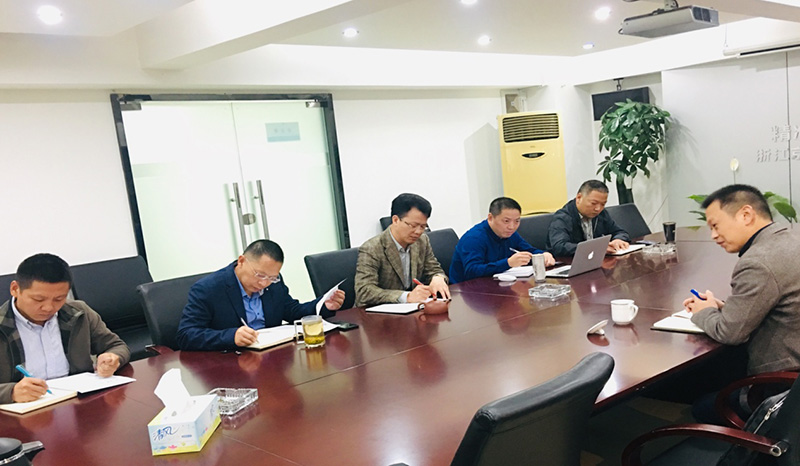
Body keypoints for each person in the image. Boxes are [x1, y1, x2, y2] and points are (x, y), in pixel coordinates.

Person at [684, 184, 800, 375]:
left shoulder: (757, 262)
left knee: (699, 389)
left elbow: (729, 333)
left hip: (782, 380)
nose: (713, 235)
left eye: (715, 225)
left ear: (746, 215)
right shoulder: (790, 240)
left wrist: (703, 311)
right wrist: (724, 308)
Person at [0, 253, 130, 403]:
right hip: (24, 407)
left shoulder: (78, 313)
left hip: (78, 401)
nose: (49, 307)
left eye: (59, 299)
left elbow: (117, 346)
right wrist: (11, 393)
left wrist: (113, 358)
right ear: (15, 289)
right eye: (38, 299)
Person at [176, 239, 345, 351]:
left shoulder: (274, 283)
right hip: (231, 365)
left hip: (271, 357)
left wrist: (323, 305)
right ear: (241, 261)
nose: (264, 283)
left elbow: (292, 311)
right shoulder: (208, 289)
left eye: (271, 277)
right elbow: (186, 335)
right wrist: (231, 336)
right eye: (260, 275)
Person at [355, 193, 450, 308]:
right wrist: (406, 297)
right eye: (413, 225)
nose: (418, 232)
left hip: (413, 310)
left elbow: (434, 269)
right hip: (375, 314)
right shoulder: (372, 248)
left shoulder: (422, 240)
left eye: (423, 226)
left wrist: (438, 277)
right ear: (395, 220)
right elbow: (364, 291)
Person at [449, 197, 555, 284]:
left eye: (517, 221)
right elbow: (472, 271)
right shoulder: (474, 238)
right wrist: (508, 263)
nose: (512, 227)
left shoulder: (509, 234)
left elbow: (529, 250)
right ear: (490, 218)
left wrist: (544, 255)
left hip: (497, 285)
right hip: (467, 292)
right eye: (506, 221)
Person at [547, 180, 631, 256]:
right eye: (593, 203)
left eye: (603, 204)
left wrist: (618, 239)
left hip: (594, 261)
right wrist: (595, 248)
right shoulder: (563, 217)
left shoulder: (601, 214)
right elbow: (559, 247)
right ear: (579, 198)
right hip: (569, 263)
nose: (598, 208)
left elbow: (620, 232)